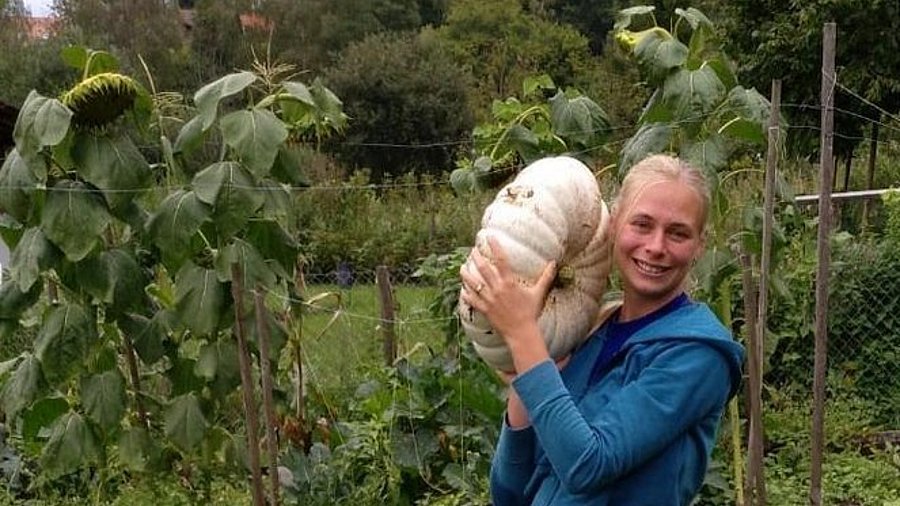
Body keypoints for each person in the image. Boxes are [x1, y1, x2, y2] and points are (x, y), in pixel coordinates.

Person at [459, 154, 745, 505]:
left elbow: (588, 465)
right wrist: (527, 372)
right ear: (613, 225)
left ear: (699, 245)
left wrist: (522, 335)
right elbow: (509, 492)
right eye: (641, 224)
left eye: (678, 233)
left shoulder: (699, 355)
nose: (655, 247)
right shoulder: (590, 332)